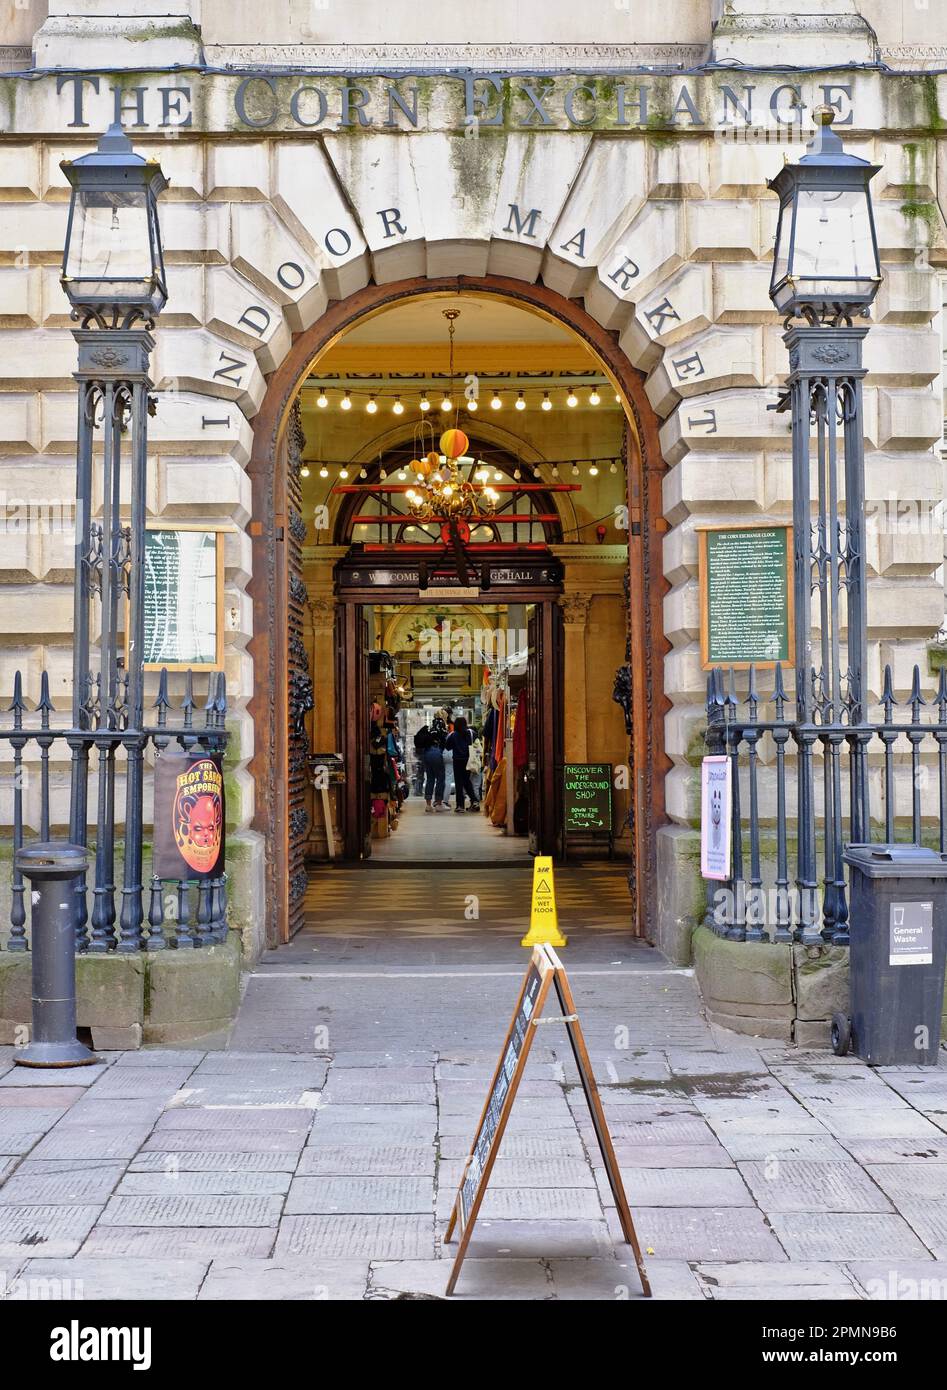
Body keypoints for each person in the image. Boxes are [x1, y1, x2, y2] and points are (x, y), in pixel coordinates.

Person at [446, 715, 480, 813]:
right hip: (469, 760)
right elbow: (477, 745)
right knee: (467, 781)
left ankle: (460, 805)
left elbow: (448, 747)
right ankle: (474, 801)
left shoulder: (453, 735)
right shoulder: (471, 733)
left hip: (457, 761)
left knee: (459, 783)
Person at [418, 727, 446, 813]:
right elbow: (445, 744)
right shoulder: (441, 731)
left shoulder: (428, 733)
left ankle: (428, 805)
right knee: (440, 779)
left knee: (430, 779)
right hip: (437, 754)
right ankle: (438, 804)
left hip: (427, 755)